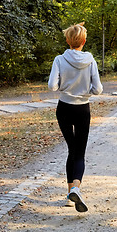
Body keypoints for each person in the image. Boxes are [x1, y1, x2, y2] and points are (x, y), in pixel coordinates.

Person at [48, 22, 103, 212]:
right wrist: (83, 91)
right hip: (82, 110)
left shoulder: (59, 60)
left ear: (67, 40)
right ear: (84, 41)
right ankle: (76, 189)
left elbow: (52, 86)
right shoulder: (90, 60)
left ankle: (70, 196)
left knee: (72, 149)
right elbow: (98, 89)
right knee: (78, 152)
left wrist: (66, 87)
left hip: (64, 108)